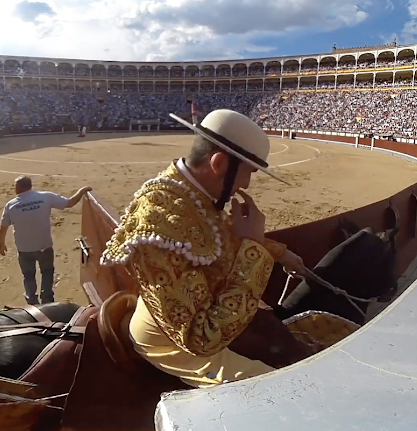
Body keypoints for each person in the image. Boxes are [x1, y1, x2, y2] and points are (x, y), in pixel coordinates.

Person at [100, 109, 309, 388]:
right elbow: (200, 339)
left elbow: (213, 237)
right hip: (170, 343)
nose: (246, 184)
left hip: (202, 306)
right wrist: (255, 250)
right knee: (278, 387)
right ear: (220, 163)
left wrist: (279, 252)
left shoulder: (190, 190)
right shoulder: (158, 222)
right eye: (247, 172)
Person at [0, 176, 92, 305]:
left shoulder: (11, 205)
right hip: (44, 245)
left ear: (18, 188)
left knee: (28, 275)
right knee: (47, 272)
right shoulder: (45, 197)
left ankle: (32, 300)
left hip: (24, 248)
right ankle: (47, 299)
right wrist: (81, 191)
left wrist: (1, 245)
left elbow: (3, 228)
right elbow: (70, 202)